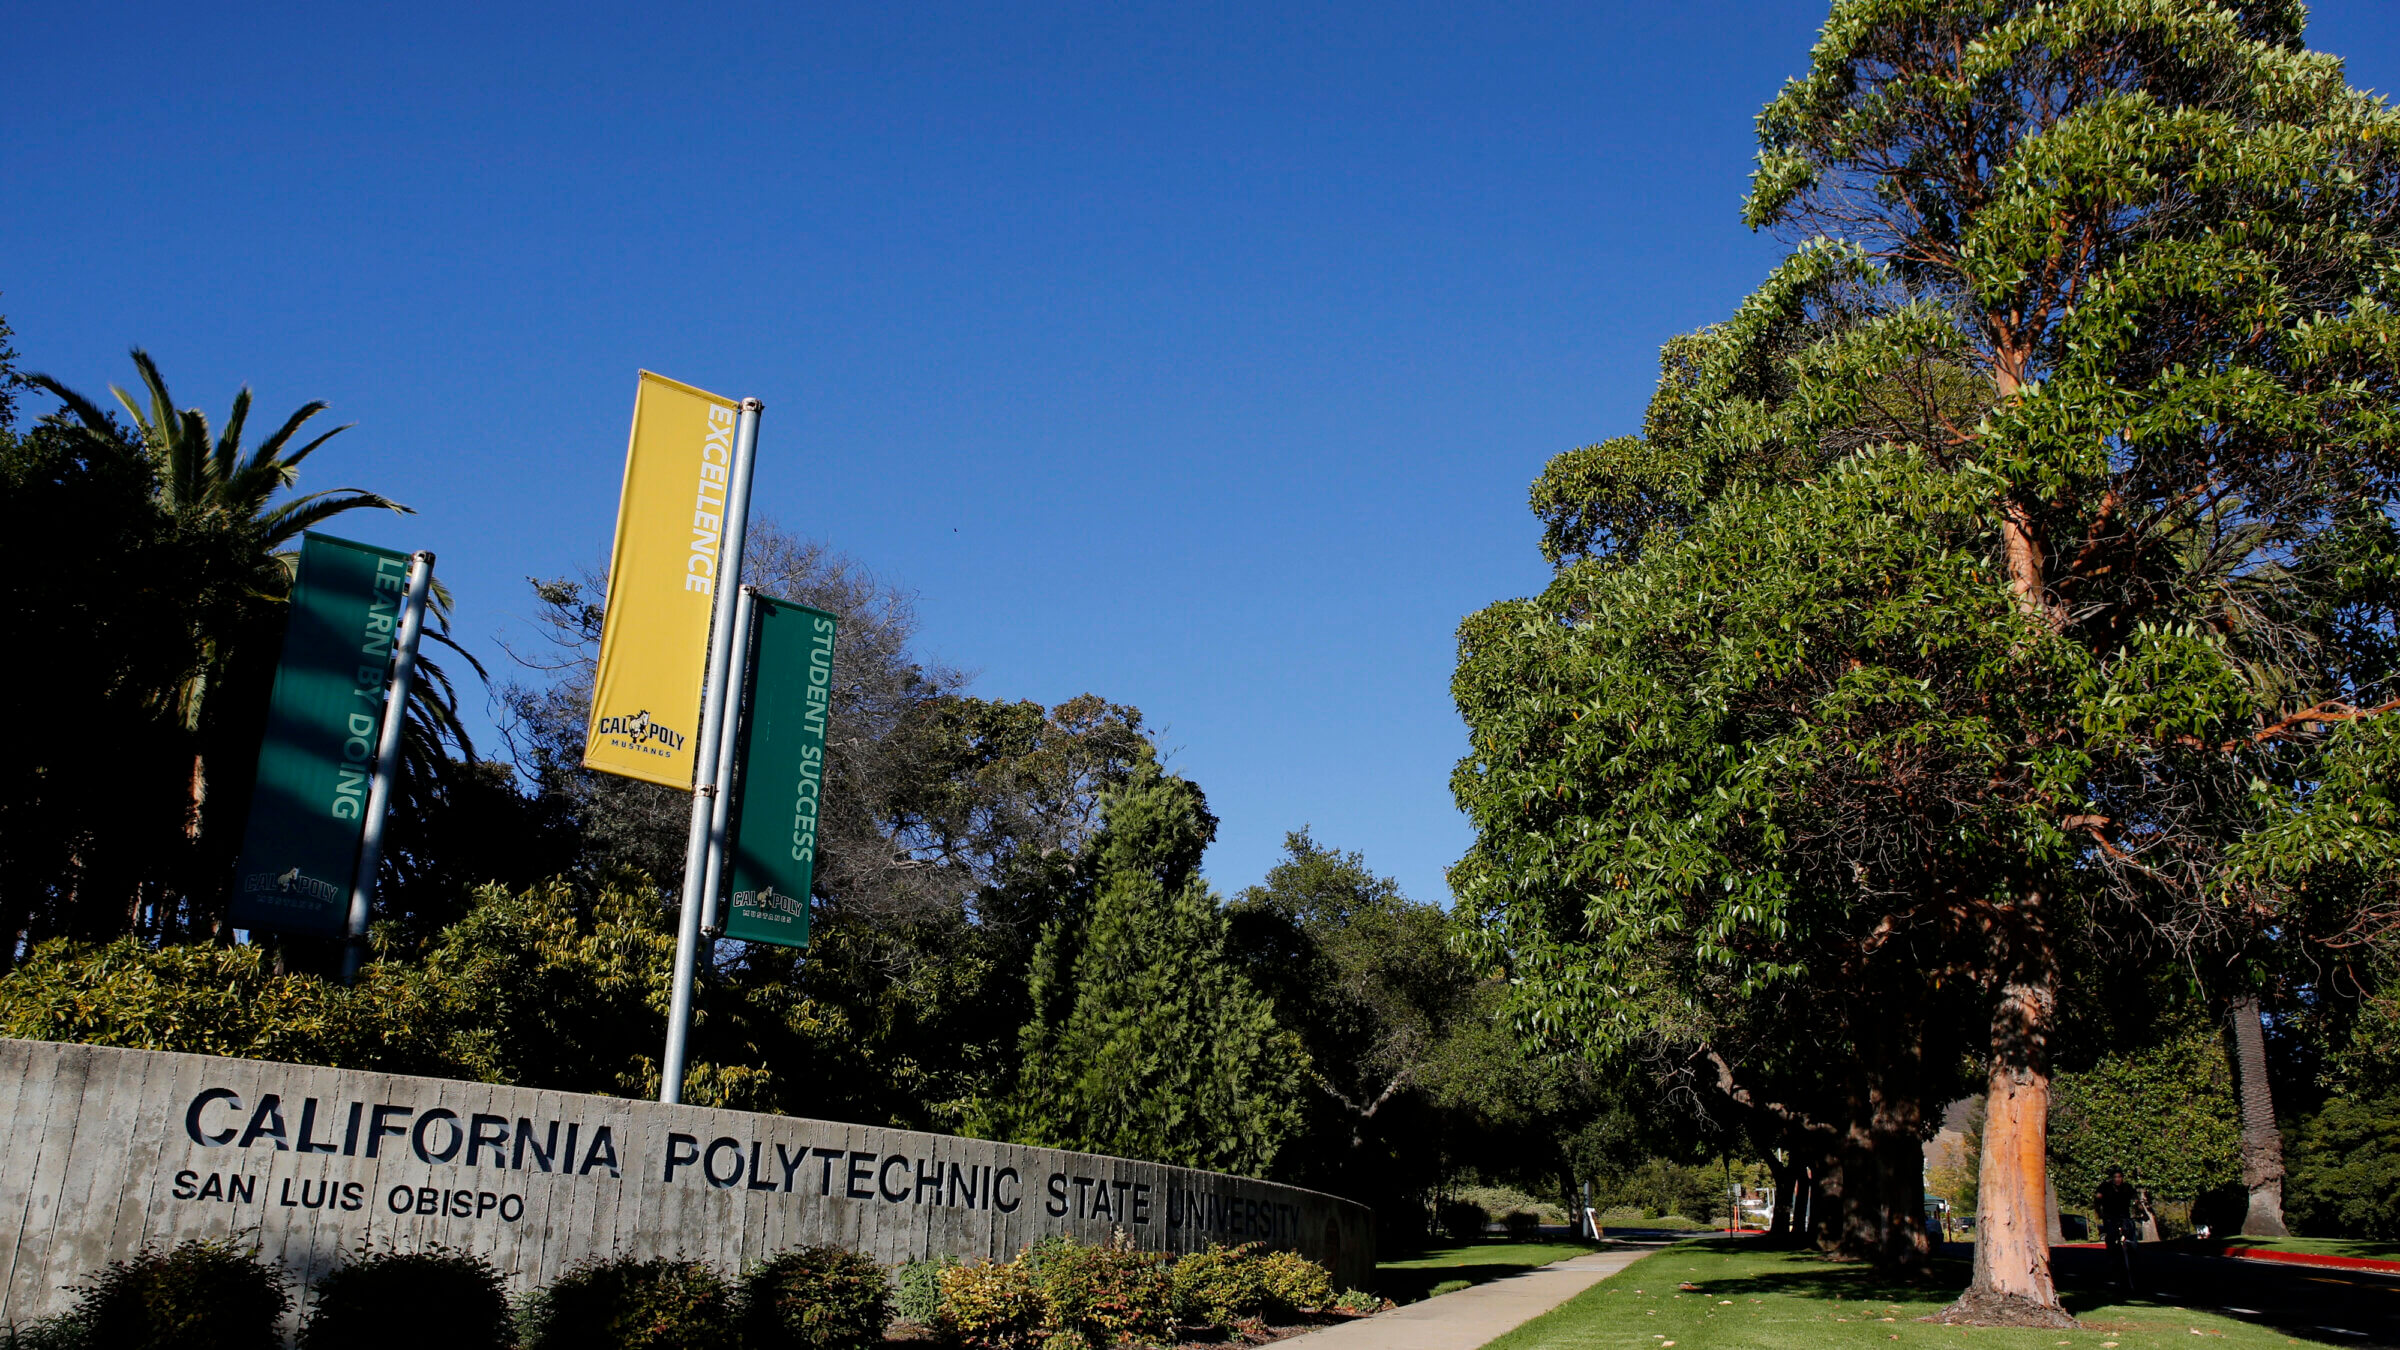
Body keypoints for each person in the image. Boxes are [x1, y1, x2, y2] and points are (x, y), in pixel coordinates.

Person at [2094, 1167, 2140, 1288]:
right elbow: (2097, 1200)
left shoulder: (2127, 1187)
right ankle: (2112, 1255)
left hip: (2124, 1216)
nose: (2117, 1179)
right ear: (2111, 1178)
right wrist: (2099, 1212)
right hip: (2110, 1217)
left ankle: (2133, 1251)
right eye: (2115, 1177)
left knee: (2131, 1231)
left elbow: (2136, 1200)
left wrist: (2141, 1211)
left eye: (2119, 1177)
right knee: (2112, 1237)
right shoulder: (2104, 1187)